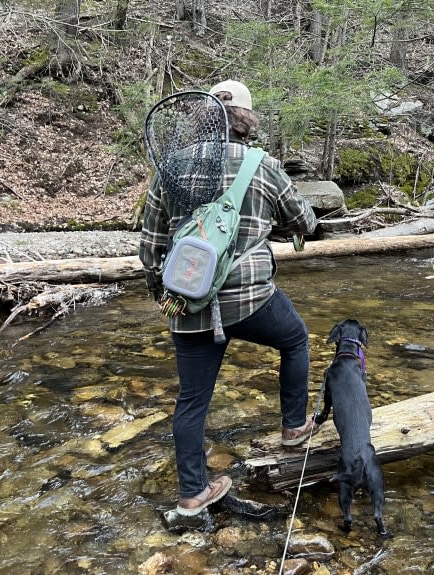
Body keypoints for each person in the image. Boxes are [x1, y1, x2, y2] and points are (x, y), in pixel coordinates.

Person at [139, 80, 319, 516]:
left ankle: (192, 495)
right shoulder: (263, 164)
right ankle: (294, 427)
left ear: (202, 116)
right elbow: (304, 222)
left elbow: (151, 247)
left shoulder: (171, 165)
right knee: (295, 340)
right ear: (246, 118)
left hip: (189, 301)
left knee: (192, 400)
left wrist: (164, 297)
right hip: (251, 299)